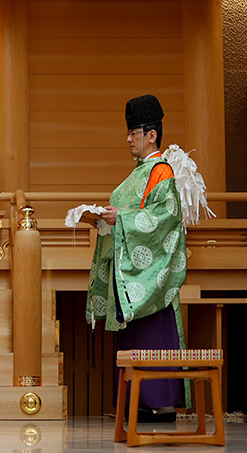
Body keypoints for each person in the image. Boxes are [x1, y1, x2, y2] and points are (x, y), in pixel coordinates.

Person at [87, 94, 188, 422]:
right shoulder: (137, 174)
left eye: (134, 133)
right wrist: (105, 220)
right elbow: (129, 216)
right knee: (134, 338)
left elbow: (166, 218)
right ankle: (138, 403)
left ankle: (162, 403)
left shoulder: (160, 171)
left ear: (151, 135)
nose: (129, 139)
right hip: (130, 273)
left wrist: (123, 218)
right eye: (128, 133)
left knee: (153, 336)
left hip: (150, 276)